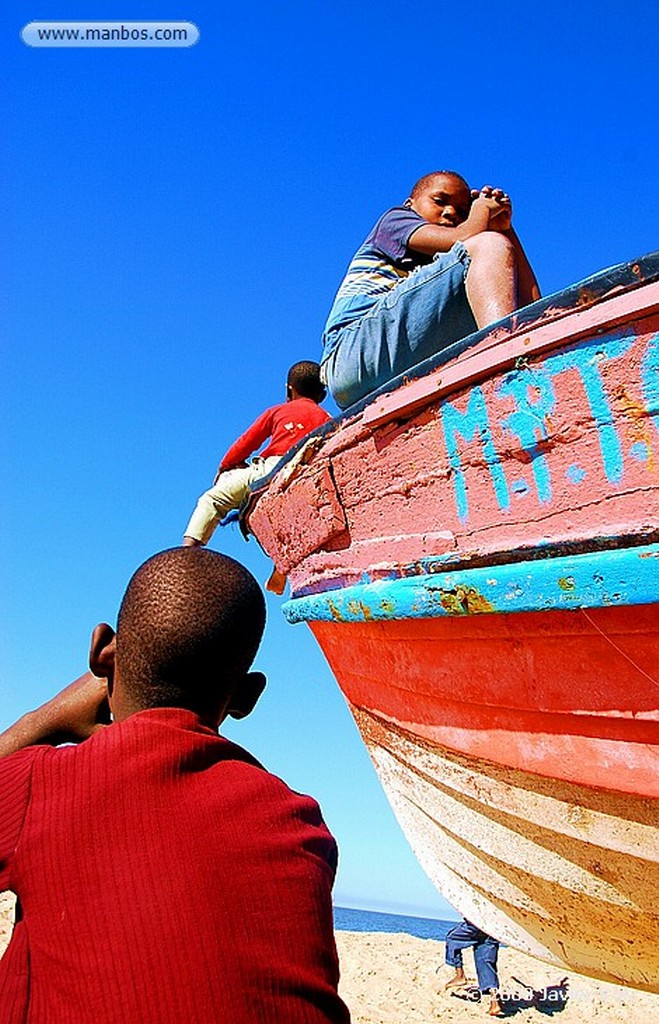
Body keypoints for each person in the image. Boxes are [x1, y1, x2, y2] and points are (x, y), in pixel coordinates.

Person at [0, 548, 351, 1024]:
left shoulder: (43, 783)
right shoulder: (301, 824)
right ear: (247, 697)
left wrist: (42, 721)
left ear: (103, 651)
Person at [321, 170, 541, 409]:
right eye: (440, 201)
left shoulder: (446, 278)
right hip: (351, 352)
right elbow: (464, 237)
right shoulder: (395, 220)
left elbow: (531, 306)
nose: (451, 213)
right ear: (410, 204)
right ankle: (505, 361)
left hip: (385, 369)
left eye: (462, 211)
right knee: (488, 244)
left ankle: (503, 351)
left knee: (493, 264)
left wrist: (505, 228)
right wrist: (481, 211)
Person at [183, 360, 331, 547]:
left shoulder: (279, 411)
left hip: (272, 470)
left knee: (211, 500)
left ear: (289, 389)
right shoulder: (327, 418)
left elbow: (246, 443)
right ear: (323, 395)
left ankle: (188, 550)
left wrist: (225, 466)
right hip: (308, 474)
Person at [444, 918, 504, 1017]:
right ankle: (495, 1003)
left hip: (478, 922)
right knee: (485, 962)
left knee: (452, 939)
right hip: (496, 926)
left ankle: (460, 976)